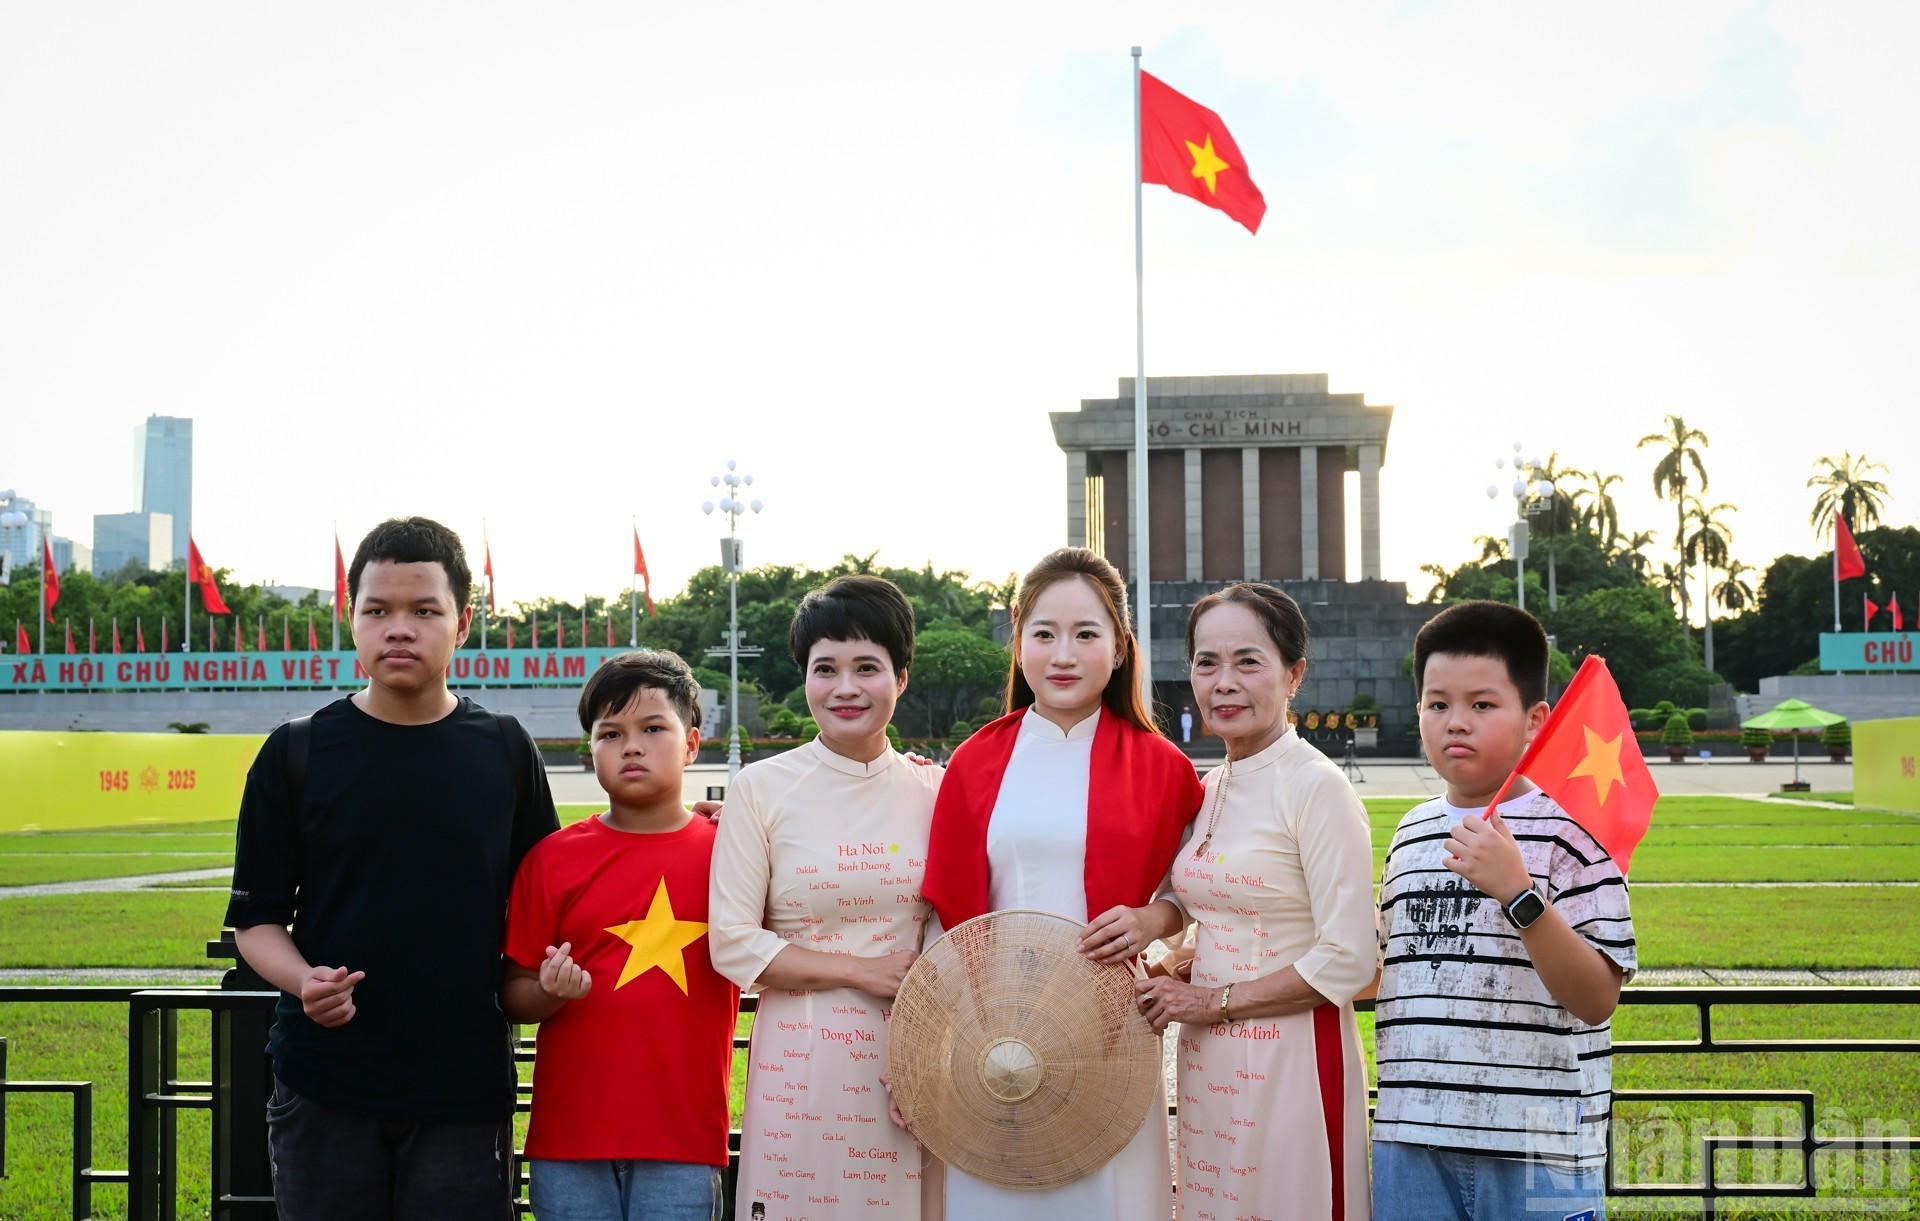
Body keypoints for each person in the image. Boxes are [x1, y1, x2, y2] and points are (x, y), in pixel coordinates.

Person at [226, 517, 558, 1219]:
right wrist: (304, 980)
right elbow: (255, 920)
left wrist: (694, 825)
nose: (399, 629)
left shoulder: (504, 750)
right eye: (377, 610)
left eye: (424, 611)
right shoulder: (296, 752)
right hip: (325, 1081)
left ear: (462, 624)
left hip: (463, 1089)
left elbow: (556, 888)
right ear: (351, 619)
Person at [919, 546, 1204, 1220]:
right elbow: (943, 914)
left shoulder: (1163, 766)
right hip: (992, 1033)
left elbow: (1194, 889)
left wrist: (1151, 920)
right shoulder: (976, 760)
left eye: (1086, 633)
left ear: (1120, 647)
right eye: (1044, 633)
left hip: (1111, 1030)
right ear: (1019, 644)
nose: (1063, 654)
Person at [1372, 600, 1637, 1220]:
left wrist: (1519, 894)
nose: (1456, 723)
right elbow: (1385, 970)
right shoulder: (1411, 833)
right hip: (1411, 1138)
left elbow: (1597, 998)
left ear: (1534, 720)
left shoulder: (1572, 834)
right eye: (1438, 704)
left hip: (1538, 1146)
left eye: (1482, 705)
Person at [1132, 583, 1377, 1219]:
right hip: (1207, 1057)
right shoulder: (1210, 787)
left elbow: (1350, 958)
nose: (1224, 683)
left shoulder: (1317, 788)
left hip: (1292, 1058)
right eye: (1207, 663)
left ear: (1295, 674)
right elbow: (1212, 908)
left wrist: (1213, 1000)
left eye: (1248, 662)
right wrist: (1177, 963)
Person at [707, 575, 943, 1221]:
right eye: (825, 668)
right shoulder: (760, 788)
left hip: (913, 1061)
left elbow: (958, 934)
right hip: (801, 1061)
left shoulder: (939, 791)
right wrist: (861, 970)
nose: (845, 687)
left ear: (900, 676)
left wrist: (934, 1056)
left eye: (866, 667)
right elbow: (733, 943)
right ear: (805, 677)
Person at [502, 650, 739, 1219]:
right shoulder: (552, 859)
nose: (631, 746)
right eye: (610, 734)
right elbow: (513, 994)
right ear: (592, 750)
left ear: (691, 744)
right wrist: (549, 992)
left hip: (683, 1139)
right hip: (569, 1138)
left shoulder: (732, 853)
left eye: (653, 728)